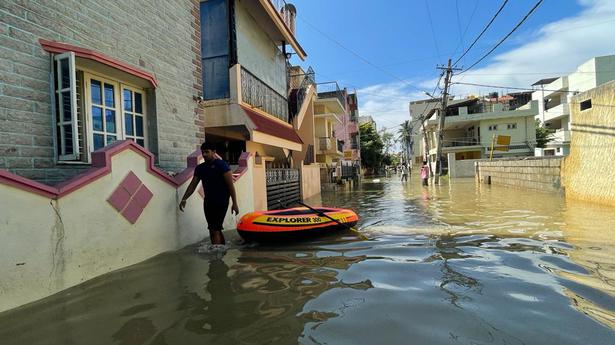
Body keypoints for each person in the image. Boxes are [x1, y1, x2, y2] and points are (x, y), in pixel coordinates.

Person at [179, 142, 239, 246]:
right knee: (215, 229)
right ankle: (221, 251)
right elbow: (193, 185)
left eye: (207, 152)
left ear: (214, 152)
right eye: (203, 152)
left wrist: (235, 203)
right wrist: (184, 199)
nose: (204, 154)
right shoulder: (200, 168)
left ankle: (215, 257)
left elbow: (230, 185)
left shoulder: (222, 165)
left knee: (214, 229)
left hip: (221, 201)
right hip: (208, 202)